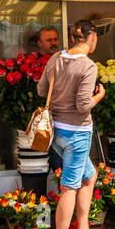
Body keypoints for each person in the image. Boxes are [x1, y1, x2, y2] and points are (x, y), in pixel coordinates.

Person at [36, 19, 105, 229]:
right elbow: (83, 105)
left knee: (89, 175)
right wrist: (100, 95)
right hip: (77, 132)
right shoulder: (88, 66)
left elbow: (41, 91)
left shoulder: (56, 58)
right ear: (92, 38)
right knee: (70, 187)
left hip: (56, 131)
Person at [33, 26, 64, 176]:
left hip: (62, 117)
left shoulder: (64, 60)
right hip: (45, 118)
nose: (53, 43)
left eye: (55, 39)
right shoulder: (35, 62)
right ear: (39, 43)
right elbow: (41, 91)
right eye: (49, 40)